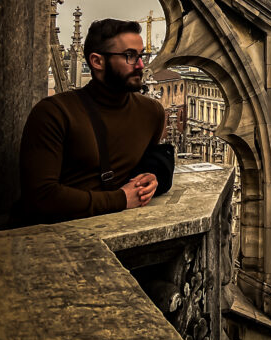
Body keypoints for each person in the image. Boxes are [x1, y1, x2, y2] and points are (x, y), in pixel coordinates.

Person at [18, 18, 167, 223]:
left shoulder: (152, 112)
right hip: (56, 240)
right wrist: (120, 199)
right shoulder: (54, 113)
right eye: (130, 56)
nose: (141, 65)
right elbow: (41, 196)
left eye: (142, 56)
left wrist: (152, 178)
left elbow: (147, 164)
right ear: (97, 61)